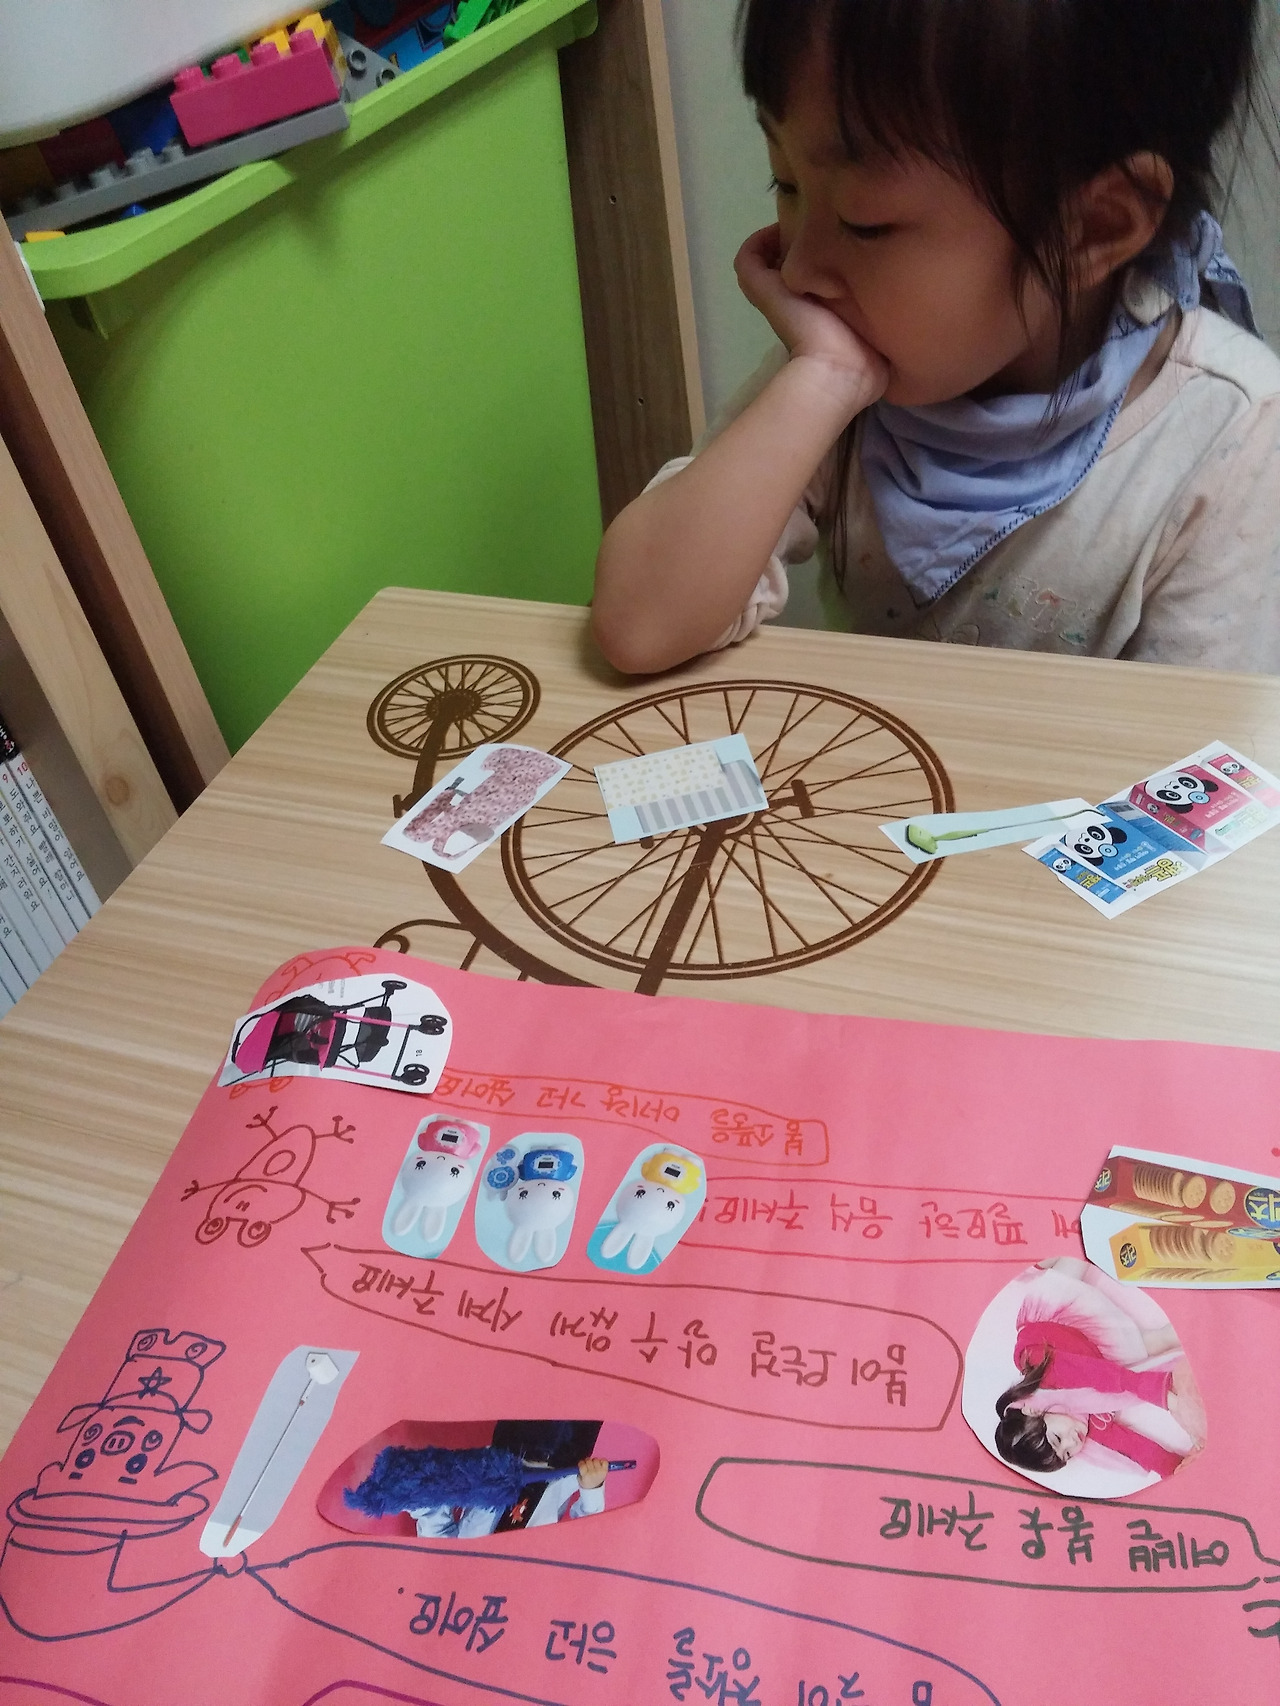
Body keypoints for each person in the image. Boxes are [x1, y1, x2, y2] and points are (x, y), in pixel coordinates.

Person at [592, 0, 1280, 676]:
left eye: (865, 222)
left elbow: (1204, 746)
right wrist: (824, 378)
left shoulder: (1233, 441)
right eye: (786, 180)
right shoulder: (841, 374)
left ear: (1094, 228)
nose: (797, 271)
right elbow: (640, 624)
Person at [994, 1257, 1206, 1478]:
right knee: (1155, 1343)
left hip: (1054, 1321)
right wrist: (1176, 1470)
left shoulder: (1048, 1375)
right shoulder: (1084, 1424)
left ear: (1033, 1410)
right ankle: (1200, 1328)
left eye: (1058, 1438)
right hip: (1094, 1354)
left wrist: (1165, 1398)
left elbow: (1117, 1378)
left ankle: (1043, 1263)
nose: (1072, 1442)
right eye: (1067, 1454)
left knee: (1074, 1261)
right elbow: (1132, 1446)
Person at [344, 1441, 610, 1538]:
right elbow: (583, 1538)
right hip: (566, 1461)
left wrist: (414, 1490)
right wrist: (592, 1489)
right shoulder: (543, 1577)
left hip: (510, 1447)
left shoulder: (453, 1566)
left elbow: (433, 1519)